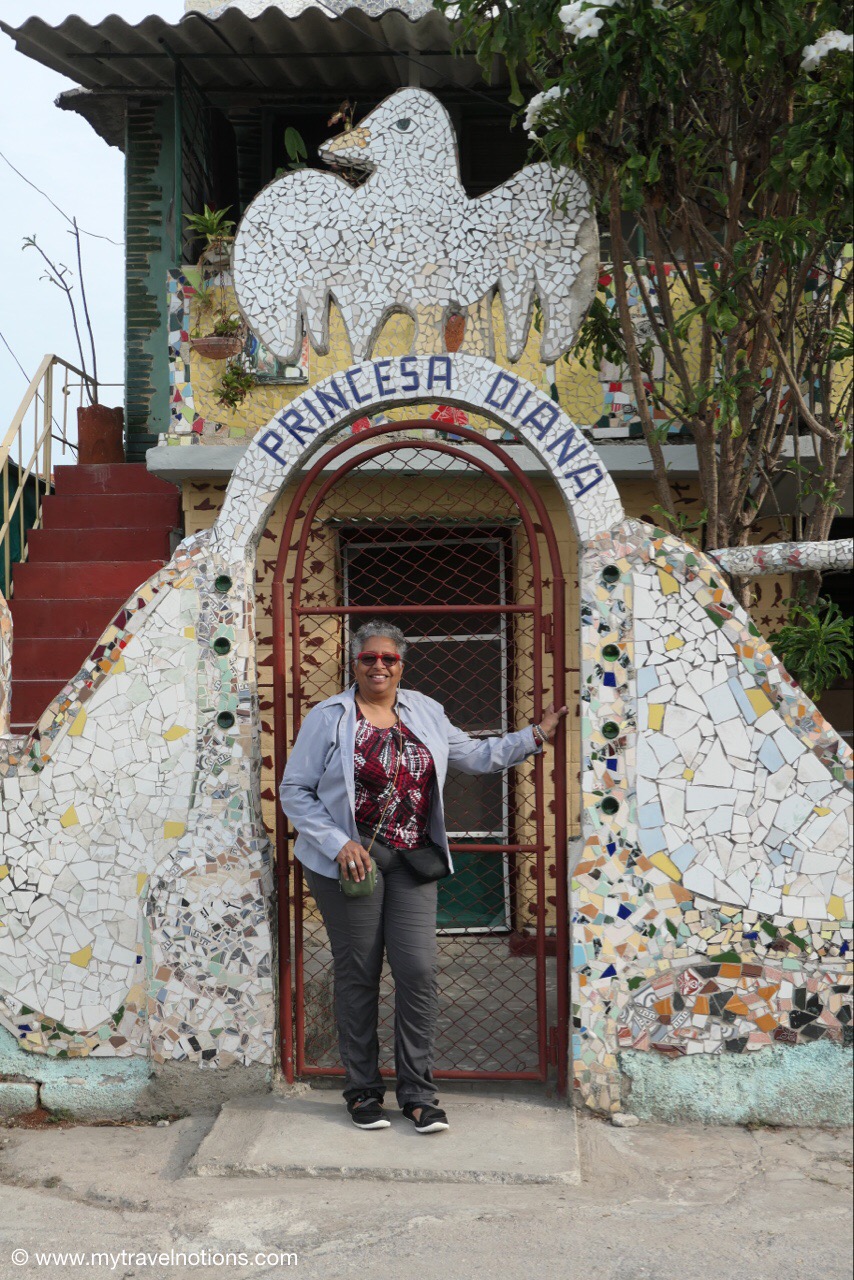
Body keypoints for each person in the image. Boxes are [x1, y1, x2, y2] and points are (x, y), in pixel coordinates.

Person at [279, 621, 566, 1134]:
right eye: (369, 658)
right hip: (351, 865)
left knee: (417, 972)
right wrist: (336, 842)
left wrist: (535, 736)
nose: (379, 666)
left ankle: (417, 1093)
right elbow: (295, 791)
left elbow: (475, 756)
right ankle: (363, 1092)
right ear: (355, 663)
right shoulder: (329, 718)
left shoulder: (425, 711)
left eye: (389, 658)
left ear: (401, 664)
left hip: (413, 861)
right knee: (359, 975)